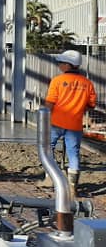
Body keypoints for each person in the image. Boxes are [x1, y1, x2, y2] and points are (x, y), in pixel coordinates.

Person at [44, 49, 96, 197]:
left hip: (56, 123)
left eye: (61, 62)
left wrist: (44, 118)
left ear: (68, 64)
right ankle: (73, 186)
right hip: (75, 125)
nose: (59, 65)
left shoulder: (57, 81)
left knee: (48, 148)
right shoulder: (87, 83)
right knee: (73, 153)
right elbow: (91, 104)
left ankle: (50, 178)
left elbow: (50, 103)